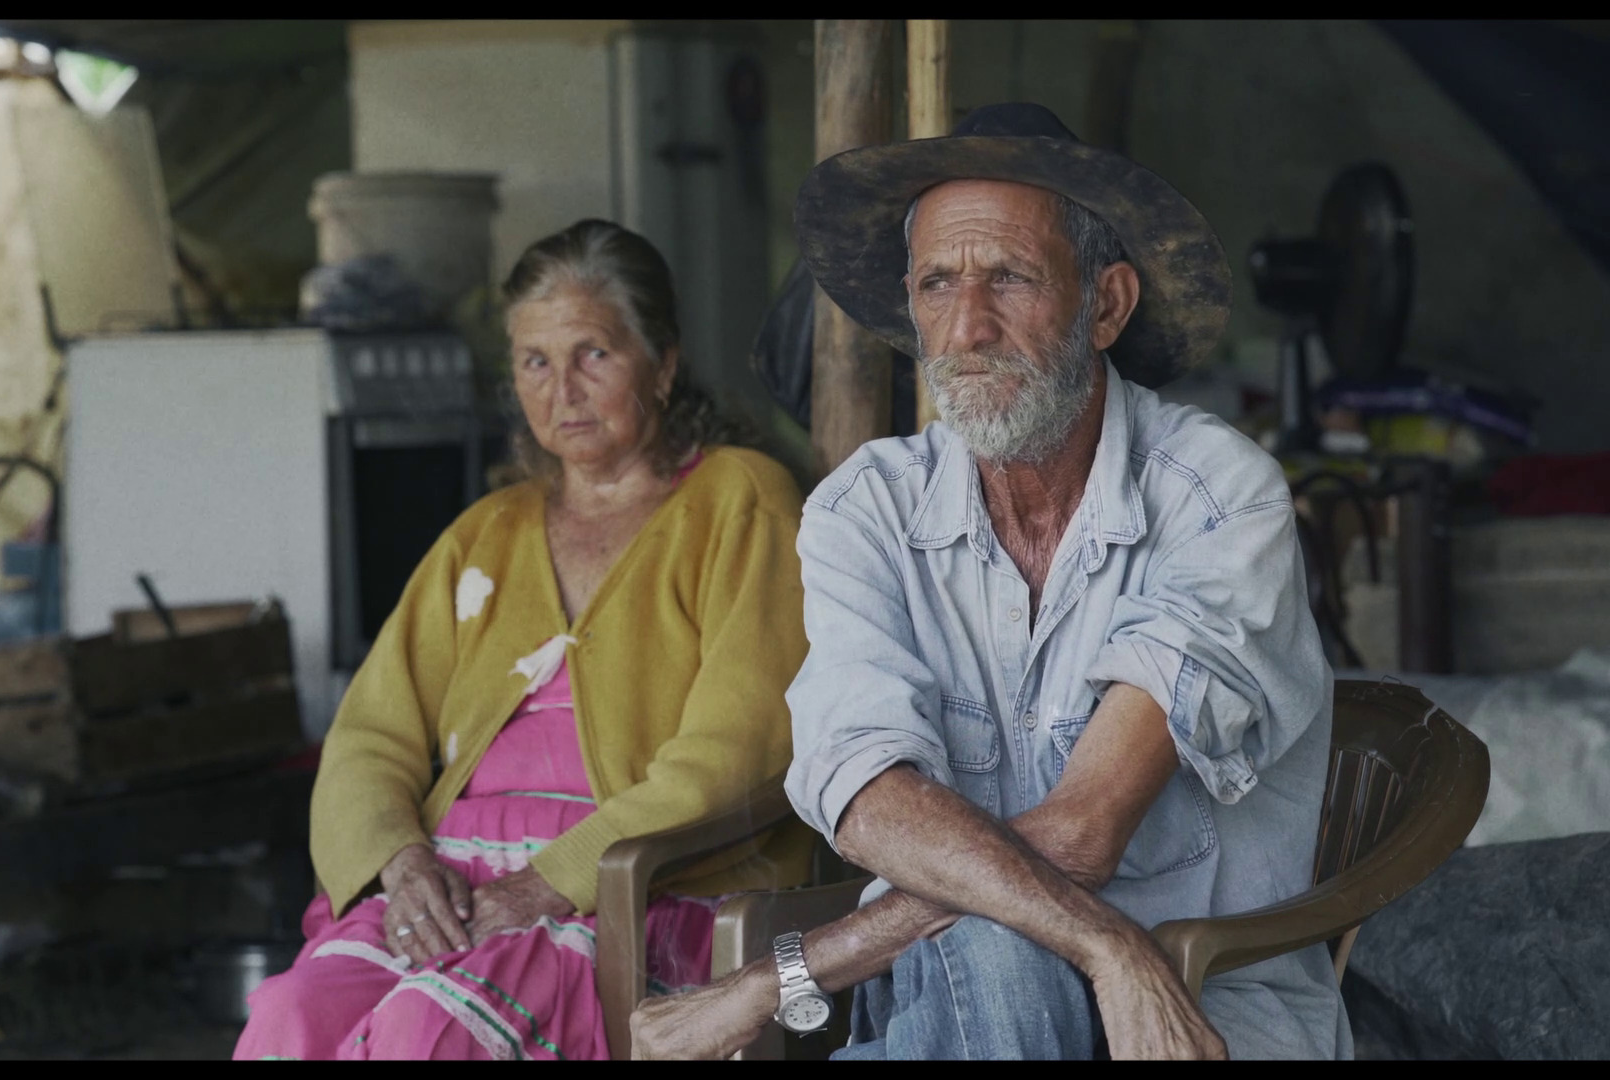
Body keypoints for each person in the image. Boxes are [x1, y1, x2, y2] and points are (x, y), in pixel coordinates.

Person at [631, 103, 1347, 1060]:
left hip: (1191, 1004)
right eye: (937, 283)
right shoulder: (865, 513)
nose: (967, 327)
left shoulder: (1219, 498)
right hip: (953, 1001)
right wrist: (1102, 943)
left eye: (1009, 278)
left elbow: (1089, 829)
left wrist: (785, 977)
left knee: (998, 940)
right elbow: (872, 803)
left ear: (1106, 305)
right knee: (993, 951)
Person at [233, 219, 815, 1061]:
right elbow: (368, 737)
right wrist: (401, 866)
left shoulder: (740, 500)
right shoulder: (486, 532)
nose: (563, 391)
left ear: (664, 363)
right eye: (536, 362)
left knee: (427, 1034)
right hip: (453, 883)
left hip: (634, 887)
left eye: (594, 355)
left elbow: (743, 748)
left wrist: (548, 883)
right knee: (289, 1019)